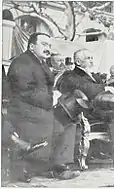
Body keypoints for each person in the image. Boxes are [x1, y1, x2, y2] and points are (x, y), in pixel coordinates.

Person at [57, 49, 114, 172]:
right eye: (88, 58)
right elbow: (85, 88)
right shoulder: (71, 75)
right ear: (78, 61)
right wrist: (104, 87)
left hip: (100, 108)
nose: (92, 60)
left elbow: (104, 95)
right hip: (85, 111)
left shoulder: (95, 76)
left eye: (91, 57)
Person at [7, 32, 80, 182]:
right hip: (22, 108)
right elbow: (23, 91)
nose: (48, 48)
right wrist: (50, 99)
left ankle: (59, 165)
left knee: (68, 123)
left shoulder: (41, 63)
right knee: (48, 122)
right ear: (32, 46)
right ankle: (26, 167)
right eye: (44, 44)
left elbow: (45, 87)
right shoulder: (22, 62)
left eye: (49, 45)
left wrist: (55, 97)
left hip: (41, 106)